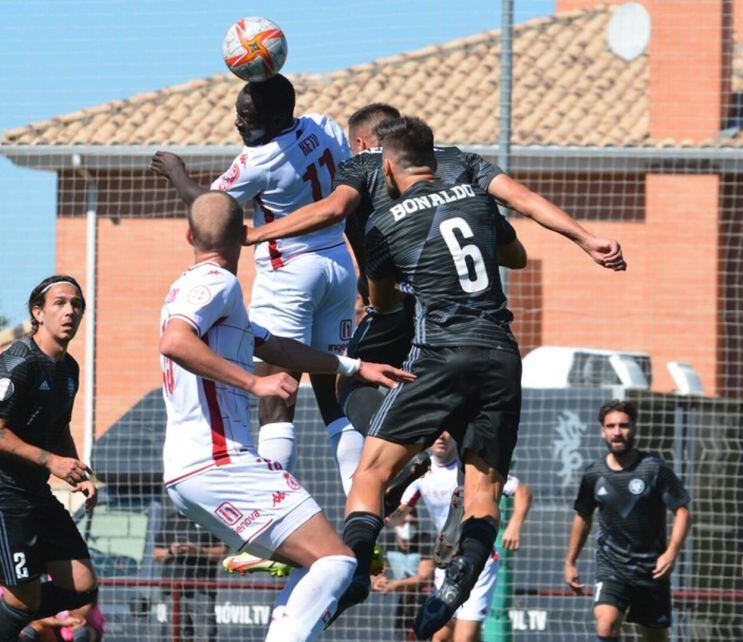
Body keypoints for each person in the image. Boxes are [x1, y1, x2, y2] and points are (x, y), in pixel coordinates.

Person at [245, 102, 625, 436]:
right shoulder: (461, 160)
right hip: (482, 319)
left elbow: (332, 210)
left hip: (409, 308)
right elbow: (521, 211)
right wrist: (585, 239)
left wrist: (255, 234)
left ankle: (395, 451)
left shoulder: (362, 166)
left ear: (366, 146)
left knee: (352, 381)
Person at [158, 192, 414, 642]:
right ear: (244, 235)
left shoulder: (203, 292)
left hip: (194, 469)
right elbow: (176, 342)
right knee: (337, 561)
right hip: (220, 463)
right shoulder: (218, 282)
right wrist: (254, 384)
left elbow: (272, 344)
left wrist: (353, 366)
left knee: (317, 563)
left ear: (188, 236)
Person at [335, 116, 532, 638]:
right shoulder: (475, 196)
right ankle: (460, 576)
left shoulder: (384, 220)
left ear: (384, 163)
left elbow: (383, 303)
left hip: (441, 353)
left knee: (371, 473)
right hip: (501, 353)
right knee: (484, 490)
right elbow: (518, 256)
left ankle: (354, 565)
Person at [151, 74, 363, 499]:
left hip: (290, 274)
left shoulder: (259, 161)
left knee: (276, 396)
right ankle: (363, 512)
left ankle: (274, 515)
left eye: (248, 118)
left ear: (278, 116)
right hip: (339, 266)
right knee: (333, 391)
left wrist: (177, 174)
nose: (239, 125)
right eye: (238, 116)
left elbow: (210, 208)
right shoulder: (325, 126)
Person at [0, 275, 99, 642]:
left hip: (36, 494)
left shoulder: (69, 369)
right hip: (2, 495)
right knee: (25, 602)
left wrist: (77, 473)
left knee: (83, 587)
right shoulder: (18, 361)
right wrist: (51, 462)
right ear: (37, 313)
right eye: (59, 303)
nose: (70, 310)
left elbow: (58, 429)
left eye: (76, 304)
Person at [564, 400, 692, 642]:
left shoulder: (653, 469)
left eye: (623, 425)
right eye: (610, 426)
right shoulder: (594, 475)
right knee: (606, 622)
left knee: (654, 636)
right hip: (612, 565)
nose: (617, 432)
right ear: (602, 431)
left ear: (633, 428)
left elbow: (683, 512)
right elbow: (583, 516)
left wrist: (671, 553)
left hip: (651, 569)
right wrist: (570, 561)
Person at [387, 434, 533, 642]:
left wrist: (515, 525)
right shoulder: (421, 474)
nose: (442, 438)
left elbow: (522, 490)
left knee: (464, 638)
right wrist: (377, 516)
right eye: (437, 433)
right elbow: (397, 515)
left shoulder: (472, 468)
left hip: (478, 562)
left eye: (448, 433)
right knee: (440, 635)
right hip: (446, 561)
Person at [152, 504, 227, 642]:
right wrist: (171, 551)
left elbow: (223, 553)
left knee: (206, 633)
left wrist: (198, 551)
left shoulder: (210, 520)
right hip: (173, 589)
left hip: (202, 587)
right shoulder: (170, 520)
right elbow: (156, 554)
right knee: (176, 634)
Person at [371, 511, 432, 641]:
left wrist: (396, 584)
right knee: (401, 635)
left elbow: (424, 576)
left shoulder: (426, 540)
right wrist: (379, 580)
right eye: (405, 522)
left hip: (427, 598)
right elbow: (375, 567)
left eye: (413, 522)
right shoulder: (384, 540)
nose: (409, 526)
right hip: (404, 600)